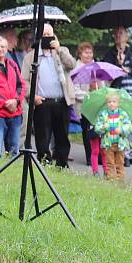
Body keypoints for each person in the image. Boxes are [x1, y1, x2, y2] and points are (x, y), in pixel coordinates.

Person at [21, 23, 76, 167]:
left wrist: (59, 49)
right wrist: (32, 96)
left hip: (61, 101)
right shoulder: (30, 57)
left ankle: (62, 165)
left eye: (49, 34)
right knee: (42, 136)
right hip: (42, 102)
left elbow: (71, 65)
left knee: (62, 136)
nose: (46, 37)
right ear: (38, 36)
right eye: (43, 35)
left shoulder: (61, 51)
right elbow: (24, 80)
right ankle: (44, 164)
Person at [103, 26, 132, 167]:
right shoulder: (110, 53)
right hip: (118, 95)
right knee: (121, 125)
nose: (118, 36)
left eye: (121, 33)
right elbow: (106, 73)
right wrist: (118, 65)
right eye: (116, 34)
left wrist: (130, 70)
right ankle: (124, 154)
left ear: (127, 37)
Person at [72, 41, 105, 176]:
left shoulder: (96, 67)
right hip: (84, 106)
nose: (88, 54)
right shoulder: (76, 68)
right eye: (86, 52)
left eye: (90, 52)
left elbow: (102, 84)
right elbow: (75, 90)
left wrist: (100, 93)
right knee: (88, 132)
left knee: (99, 131)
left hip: (97, 106)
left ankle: (99, 157)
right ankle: (89, 157)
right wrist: (88, 95)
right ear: (80, 54)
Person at [93, 92, 132, 181]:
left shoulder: (123, 114)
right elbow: (97, 128)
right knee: (109, 163)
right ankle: (111, 179)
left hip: (120, 143)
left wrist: (121, 129)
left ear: (118, 103)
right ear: (106, 103)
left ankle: (120, 179)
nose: (111, 104)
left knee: (120, 162)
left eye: (114, 101)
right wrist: (103, 127)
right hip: (108, 144)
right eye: (109, 102)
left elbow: (129, 126)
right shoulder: (103, 114)